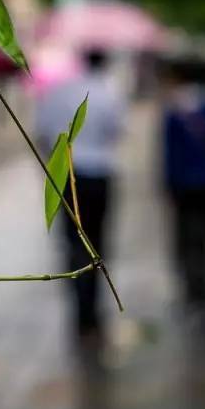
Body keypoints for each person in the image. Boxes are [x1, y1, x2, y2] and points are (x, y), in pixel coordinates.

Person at [36, 49, 124, 347]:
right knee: (96, 244)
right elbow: (116, 132)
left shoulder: (59, 91)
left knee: (73, 244)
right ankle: (92, 314)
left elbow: (44, 133)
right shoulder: (109, 91)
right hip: (99, 175)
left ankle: (80, 313)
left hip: (68, 177)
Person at [161, 59, 205, 317]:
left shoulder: (173, 110)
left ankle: (189, 292)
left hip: (181, 184)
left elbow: (168, 152)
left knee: (184, 237)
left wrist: (166, 183)